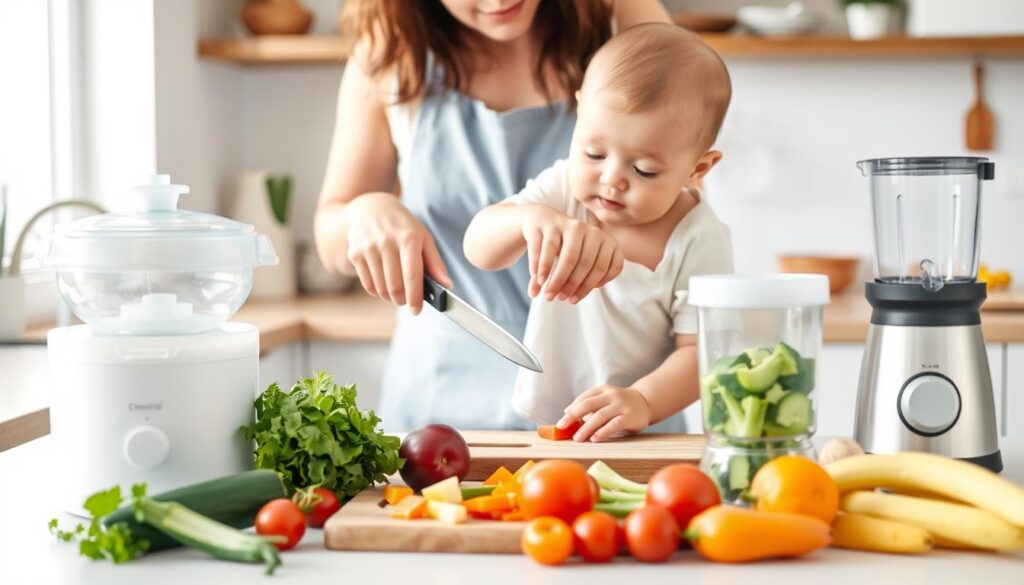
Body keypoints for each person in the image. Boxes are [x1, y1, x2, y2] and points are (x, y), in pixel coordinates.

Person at [314, 1, 671, 431]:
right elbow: (330, 234)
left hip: (610, 401)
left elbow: (679, 204)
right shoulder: (392, 51)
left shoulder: (619, 16)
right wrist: (364, 213)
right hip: (440, 404)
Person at [464, 23, 734, 442]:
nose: (611, 179)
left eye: (643, 170)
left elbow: (702, 350)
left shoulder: (698, 238)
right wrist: (527, 218)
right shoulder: (562, 190)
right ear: (579, 115)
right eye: (594, 153)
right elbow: (478, 248)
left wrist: (643, 400)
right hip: (549, 424)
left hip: (647, 433)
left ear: (697, 169)